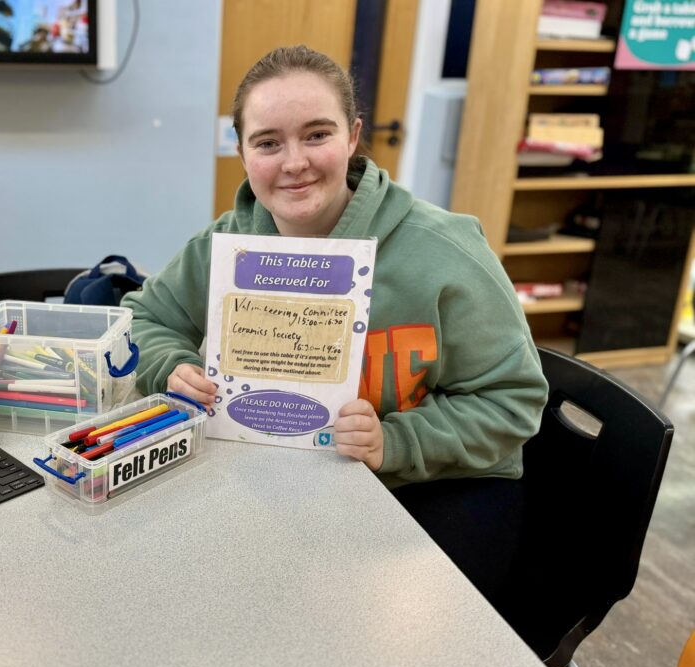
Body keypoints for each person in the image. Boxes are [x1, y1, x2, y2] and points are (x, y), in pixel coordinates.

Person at [120, 45, 548, 605]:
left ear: (352, 137)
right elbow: (142, 316)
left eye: (317, 134)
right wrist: (169, 366)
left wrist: (393, 441)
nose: (293, 161)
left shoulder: (447, 251)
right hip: (281, 478)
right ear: (242, 152)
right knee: (199, 595)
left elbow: (512, 400)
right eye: (267, 142)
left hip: (434, 485)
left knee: (375, 630)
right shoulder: (227, 243)